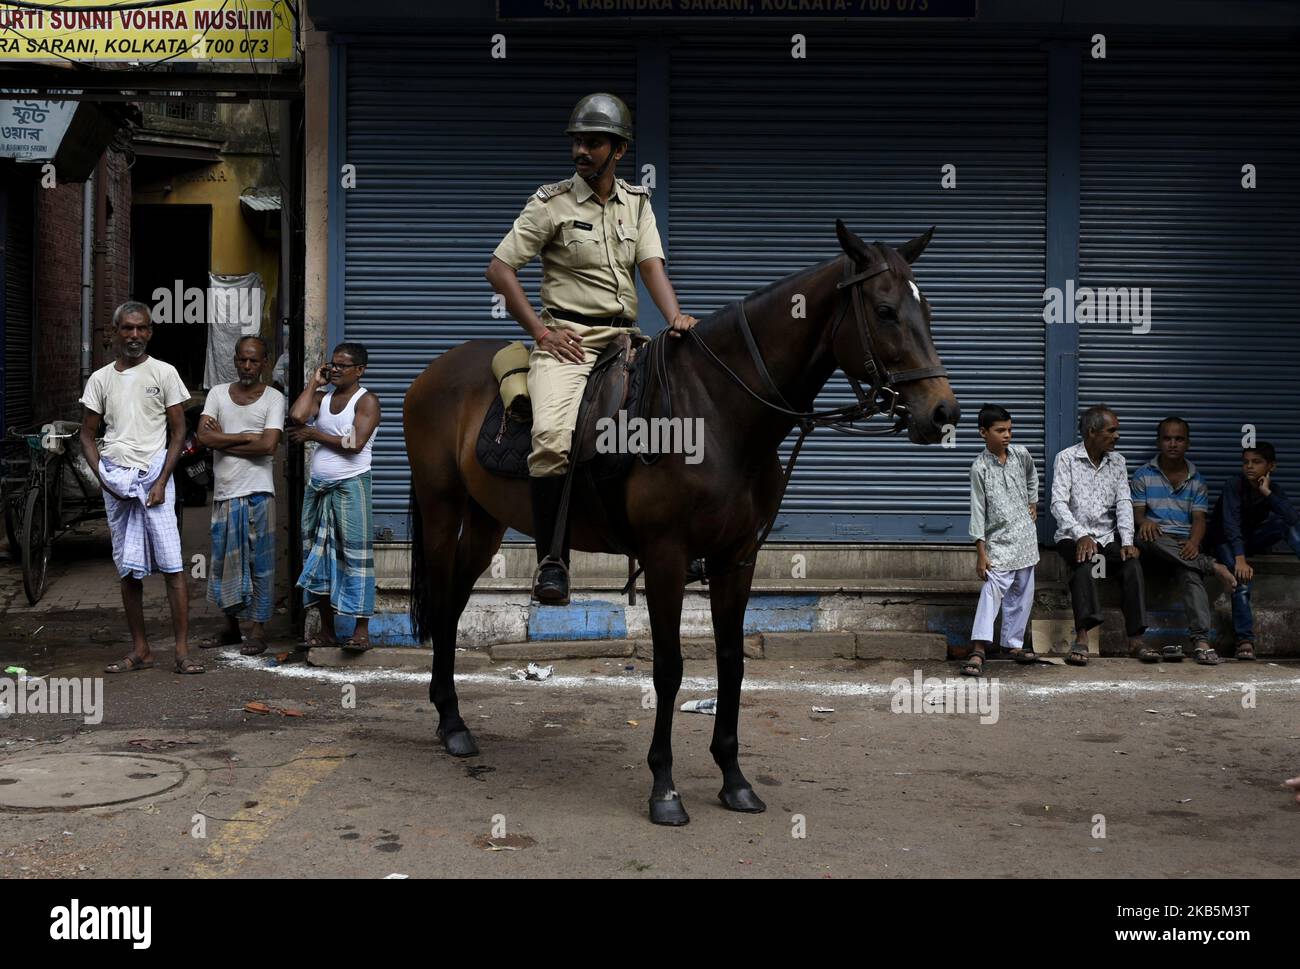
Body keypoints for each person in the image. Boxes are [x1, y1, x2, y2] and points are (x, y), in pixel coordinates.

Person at [484, 92, 698, 605]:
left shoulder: (637, 203)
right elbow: (500, 269)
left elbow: (651, 268)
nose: (582, 150)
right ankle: (552, 563)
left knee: (682, 421)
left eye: (594, 142)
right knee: (554, 438)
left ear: (618, 149)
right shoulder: (550, 203)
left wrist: (675, 318)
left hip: (627, 339)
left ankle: (683, 544)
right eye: (578, 141)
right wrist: (540, 333)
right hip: (569, 343)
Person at [79, 300, 204, 674]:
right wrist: (105, 479)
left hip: (155, 478)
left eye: (142, 329)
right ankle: (141, 649)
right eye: (127, 329)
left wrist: (164, 479)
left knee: (172, 566)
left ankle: (181, 652)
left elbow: (180, 431)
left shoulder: (164, 373)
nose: (134, 336)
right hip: (117, 479)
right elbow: (87, 436)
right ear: (115, 332)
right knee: (128, 570)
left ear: (150, 332)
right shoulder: (100, 379)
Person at [196, 335, 285, 656]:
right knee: (224, 563)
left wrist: (221, 438)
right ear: (234, 360)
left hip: (259, 494)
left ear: (264, 363)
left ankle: (258, 631)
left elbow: (268, 445)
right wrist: (244, 437)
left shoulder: (274, 399)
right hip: (224, 493)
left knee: (260, 564)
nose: (247, 366)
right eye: (242, 359)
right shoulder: (218, 394)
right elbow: (202, 438)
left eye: (254, 360)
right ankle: (230, 629)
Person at [288, 342, 379, 650]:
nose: (336, 369)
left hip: (351, 486)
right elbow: (297, 416)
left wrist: (315, 435)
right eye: (333, 364)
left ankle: (361, 632)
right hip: (319, 490)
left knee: (355, 558)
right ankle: (327, 631)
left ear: (360, 370)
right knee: (319, 558)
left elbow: (354, 443)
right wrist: (314, 382)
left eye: (343, 365)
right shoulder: (321, 398)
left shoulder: (366, 401)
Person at [1131, 417, 1237, 665]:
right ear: (1159, 441)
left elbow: (1199, 519)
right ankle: (1212, 566)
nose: (1173, 444)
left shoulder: (1196, 480)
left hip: (1181, 545)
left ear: (1187, 443)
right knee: (1148, 536)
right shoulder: (1143, 475)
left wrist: (1194, 542)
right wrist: (1144, 520)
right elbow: (1136, 513)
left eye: (1179, 439)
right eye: (1167, 438)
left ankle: (1201, 642)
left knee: (1190, 573)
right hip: (1153, 542)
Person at [1050, 404, 1152, 665]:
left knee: (1132, 565)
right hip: (1072, 536)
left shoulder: (1117, 461)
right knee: (1083, 565)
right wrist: (1081, 534)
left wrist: (1127, 541)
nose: (1117, 436)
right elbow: (1058, 504)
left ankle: (1136, 640)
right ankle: (1082, 637)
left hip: (1107, 536)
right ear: (1092, 432)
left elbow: (1124, 502)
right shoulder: (1066, 458)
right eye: (1112, 431)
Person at [963, 404, 1039, 677]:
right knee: (991, 592)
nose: (1007, 435)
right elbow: (978, 512)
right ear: (983, 433)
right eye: (1000, 430)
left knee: (1022, 593)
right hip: (998, 543)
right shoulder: (979, 468)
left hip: (1025, 540)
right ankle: (979, 647)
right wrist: (981, 553)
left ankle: (1012, 645)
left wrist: (1033, 501)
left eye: (1009, 430)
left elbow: (1032, 476)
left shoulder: (1021, 455)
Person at [1206, 442, 1300, 660]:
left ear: (1271, 467)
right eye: (1246, 462)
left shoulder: (1272, 490)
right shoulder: (1233, 485)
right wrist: (1240, 559)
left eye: (1256, 462)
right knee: (1240, 582)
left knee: (1284, 524)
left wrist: (1267, 493)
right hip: (1223, 542)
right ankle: (1245, 641)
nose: (1249, 467)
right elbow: (1230, 525)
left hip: (1247, 542)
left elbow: (1292, 519)